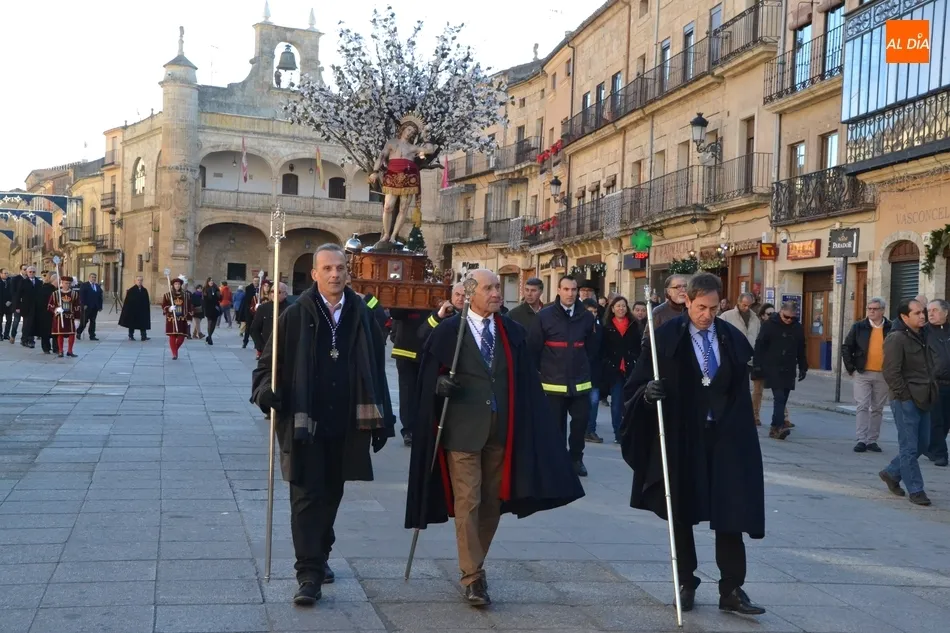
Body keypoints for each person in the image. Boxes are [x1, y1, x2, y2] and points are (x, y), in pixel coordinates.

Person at [406, 269, 585, 607]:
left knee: (491, 502)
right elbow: (425, 376)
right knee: (468, 501)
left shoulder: (512, 332)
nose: (496, 293)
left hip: (501, 429)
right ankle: (472, 576)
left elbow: (524, 379)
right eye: (489, 288)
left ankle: (476, 563)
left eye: (497, 287)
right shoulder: (449, 331)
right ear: (470, 293)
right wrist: (438, 385)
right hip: (461, 431)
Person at [251, 243, 395, 606]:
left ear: (348, 272)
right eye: (327, 268)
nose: (335, 274)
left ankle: (321, 552)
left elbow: (377, 370)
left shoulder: (363, 315)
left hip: (347, 422)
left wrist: (384, 420)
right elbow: (267, 366)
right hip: (303, 422)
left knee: (331, 493)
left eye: (340, 268)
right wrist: (265, 392)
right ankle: (308, 574)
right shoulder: (294, 315)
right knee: (306, 496)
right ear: (314, 274)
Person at [622, 272, 766, 616]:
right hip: (682, 436)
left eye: (714, 308)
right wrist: (648, 394)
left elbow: (738, 390)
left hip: (725, 437)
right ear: (687, 300)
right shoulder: (664, 338)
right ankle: (685, 582)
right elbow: (636, 385)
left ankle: (731, 588)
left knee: (731, 510)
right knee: (681, 510)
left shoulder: (730, 337)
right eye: (701, 307)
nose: (707, 315)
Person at [529, 276, 596, 477]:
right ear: (558, 290)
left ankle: (576, 459)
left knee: (580, 424)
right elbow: (534, 348)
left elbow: (592, 347)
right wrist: (541, 374)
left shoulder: (586, 316)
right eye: (566, 289)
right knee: (555, 427)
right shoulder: (545, 316)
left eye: (574, 290)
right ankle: (557, 462)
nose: (570, 294)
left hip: (580, 383)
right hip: (553, 384)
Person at [880, 299, 938, 506]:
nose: (922, 316)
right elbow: (890, 371)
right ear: (904, 317)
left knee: (923, 444)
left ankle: (891, 472)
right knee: (909, 447)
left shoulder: (924, 334)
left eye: (923, 312)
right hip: (906, 400)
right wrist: (904, 396)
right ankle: (916, 489)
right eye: (917, 313)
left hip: (925, 397)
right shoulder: (896, 338)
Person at [368, 114, 437, 245]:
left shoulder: (412, 147)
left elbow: (430, 150)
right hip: (392, 174)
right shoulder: (392, 142)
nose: (410, 133)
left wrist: (426, 136)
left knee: (403, 208)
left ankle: (394, 235)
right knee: (388, 206)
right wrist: (375, 172)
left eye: (413, 132)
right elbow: (381, 157)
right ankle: (386, 234)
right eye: (409, 129)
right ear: (403, 128)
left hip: (409, 177)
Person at [842, 297, 891, 453]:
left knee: (877, 408)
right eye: (869, 308)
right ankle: (861, 439)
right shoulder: (859, 327)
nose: (871, 311)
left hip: (883, 374)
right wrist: (851, 368)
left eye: (875, 309)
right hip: (863, 372)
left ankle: (872, 440)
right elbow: (847, 347)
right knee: (862, 405)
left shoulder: (891, 327)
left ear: (882, 310)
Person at [753, 301, 807, 440]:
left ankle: (774, 427)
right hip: (773, 366)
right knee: (779, 397)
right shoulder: (769, 325)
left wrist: (803, 366)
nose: (789, 320)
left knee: (784, 398)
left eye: (792, 318)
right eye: (786, 317)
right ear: (781, 312)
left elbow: (801, 348)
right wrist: (757, 365)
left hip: (789, 366)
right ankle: (779, 426)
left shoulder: (797, 327)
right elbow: (760, 345)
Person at [602, 296, 641, 444]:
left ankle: (630, 431)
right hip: (615, 369)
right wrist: (607, 363)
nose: (621, 308)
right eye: (618, 306)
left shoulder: (634, 325)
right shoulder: (606, 327)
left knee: (631, 402)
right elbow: (602, 349)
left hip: (631, 368)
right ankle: (618, 433)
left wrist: (635, 359)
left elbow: (638, 346)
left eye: (623, 306)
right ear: (612, 309)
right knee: (617, 403)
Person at [389, 305, 429, 446]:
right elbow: (395, 312)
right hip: (405, 353)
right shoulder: (403, 303)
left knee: (424, 393)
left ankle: (420, 429)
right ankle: (408, 430)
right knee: (407, 393)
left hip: (425, 352)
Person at [749, 304, 786, 427]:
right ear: (762, 316)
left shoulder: (777, 327)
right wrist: (756, 364)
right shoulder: (757, 326)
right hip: (760, 362)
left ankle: (784, 417)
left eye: (774, 314)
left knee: (779, 392)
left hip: (773, 363)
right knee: (758, 391)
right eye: (769, 314)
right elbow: (756, 345)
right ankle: (754, 416)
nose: (772, 316)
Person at [925, 300, 950, 467]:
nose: (931, 314)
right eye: (929, 311)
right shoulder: (923, 332)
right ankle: (941, 454)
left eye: (935, 310)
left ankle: (932, 447)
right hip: (933, 383)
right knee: (936, 420)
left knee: (946, 420)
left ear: (946, 312)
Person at [581, 298, 605, 444]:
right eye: (590, 312)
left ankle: (590, 430)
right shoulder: (578, 328)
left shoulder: (599, 327)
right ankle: (582, 429)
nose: (593, 314)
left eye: (595, 312)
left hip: (594, 371)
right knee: (582, 405)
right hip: (580, 372)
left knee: (594, 401)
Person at [250, 282, 288, 360]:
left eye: (278, 292)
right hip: (267, 351)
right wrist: (261, 347)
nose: (274, 294)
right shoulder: (263, 308)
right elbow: (254, 329)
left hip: (285, 352)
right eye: (272, 291)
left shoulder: (290, 309)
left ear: (285, 294)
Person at [49, 275, 81, 358]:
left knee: (72, 334)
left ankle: (70, 351)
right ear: (62, 283)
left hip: (71, 317)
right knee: (60, 334)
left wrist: (77, 319)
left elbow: (77, 307)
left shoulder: (74, 294)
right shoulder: (56, 294)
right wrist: (56, 309)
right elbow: (50, 305)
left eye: (69, 283)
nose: (67, 285)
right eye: (66, 283)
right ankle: (60, 351)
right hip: (60, 317)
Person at [163, 277, 193, 360]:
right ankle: (174, 354)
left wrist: (189, 318)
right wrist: (169, 308)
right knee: (172, 336)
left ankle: (175, 349)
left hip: (182, 319)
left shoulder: (186, 295)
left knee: (181, 337)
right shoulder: (168, 295)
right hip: (172, 319)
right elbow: (164, 305)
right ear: (173, 285)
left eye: (178, 284)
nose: (177, 286)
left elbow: (190, 307)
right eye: (175, 284)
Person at [14, 266, 41, 348]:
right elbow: (18, 295)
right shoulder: (23, 282)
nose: (32, 273)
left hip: (36, 306)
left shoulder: (39, 282)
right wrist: (17, 306)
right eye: (30, 272)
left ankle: (31, 340)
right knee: (26, 324)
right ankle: (24, 339)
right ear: (27, 273)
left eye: (33, 272)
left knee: (33, 323)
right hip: (26, 306)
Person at [118, 276, 152, 341]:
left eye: (141, 280)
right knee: (132, 323)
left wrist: (146, 309)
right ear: (135, 281)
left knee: (143, 323)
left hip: (142, 311)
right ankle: (131, 336)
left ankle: (144, 336)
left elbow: (147, 301)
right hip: (133, 310)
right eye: (138, 280)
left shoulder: (144, 290)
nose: (139, 281)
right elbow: (128, 302)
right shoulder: (131, 290)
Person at [35, 272, 57, 355]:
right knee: (46, 331)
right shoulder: (45, 288)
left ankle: (56, 347)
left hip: (55, 313)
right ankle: (46, 347)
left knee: (56, 330)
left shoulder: (57, 289)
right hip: (45, 313)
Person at [77, 273, 103, 341]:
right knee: (84, 321)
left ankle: (92, 335)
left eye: (95, 277)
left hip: (95, 307)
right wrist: (83, 304)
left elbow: (100, 297)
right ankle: (79, 332)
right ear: (89, 277)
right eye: (92, 277)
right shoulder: (84, 285)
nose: (93, 278)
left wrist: (100, 306)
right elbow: (81, 296)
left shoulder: (97, 286)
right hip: (87, 307)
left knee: (93, 321)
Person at [6, 265, 27, 343]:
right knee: (16, 320)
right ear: (21, 270)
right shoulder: (15, 279)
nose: (26, 271)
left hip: (26, 304)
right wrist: (16, 306)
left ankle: (24, 338)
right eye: (24, 269)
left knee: (26, 322)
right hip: (18, 303)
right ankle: (13, 336)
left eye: (27, 269)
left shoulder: (28, 279)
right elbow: (13, 293)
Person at [202, 278, 221, 345]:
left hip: (215, 307)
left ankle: (209, 336)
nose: (211, 282)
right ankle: (210, 337)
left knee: (214, 323)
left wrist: (219, 294)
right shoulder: (205, 289)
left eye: (212, 280)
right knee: (210, 322)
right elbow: (204, 299)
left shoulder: (216, 289)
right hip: (208, 308)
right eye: (210, 281)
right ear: (207, 282)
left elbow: (220, 298)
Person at [0, 269, 12, 341]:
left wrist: (10, 301)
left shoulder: (10, 281)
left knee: (9, 320)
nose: (6, 275)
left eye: (7, 273)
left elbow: (13, 292)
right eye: (5, 273)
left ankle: (6, 334)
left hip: (9, 305)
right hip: (0, 304)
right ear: (0, 274)